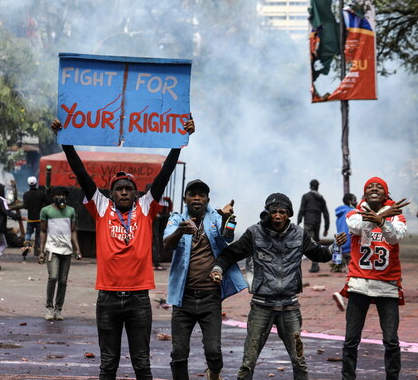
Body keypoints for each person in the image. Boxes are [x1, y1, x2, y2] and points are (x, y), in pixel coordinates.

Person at [51, 116, 194, 380]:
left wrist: (180, 142)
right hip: (106, 298)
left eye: (129, 189)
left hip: (139, 298)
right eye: (119, 189)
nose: (125, 193)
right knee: (108, 364)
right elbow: (80, 172)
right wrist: (65, 140)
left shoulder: (147, 207)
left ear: (137, 194)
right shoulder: (102, 207)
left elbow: (165, 174)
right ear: (111, 193)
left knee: (142, 364)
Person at [210, 192, 346, 380]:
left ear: (289, 214)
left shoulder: (299, 234)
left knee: (299, 361)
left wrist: (333, 247)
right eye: (274, 211)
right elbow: (230, 254)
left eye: (282, 212)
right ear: (267, 213)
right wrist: (218, 268)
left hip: (290, 307)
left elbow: (318, 254)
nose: (278, 216)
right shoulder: (254, 233)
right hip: (261, 306)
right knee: (248, 363)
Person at [163, 180, 247, 380]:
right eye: (193, 194)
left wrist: (227, 219)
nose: (197, 198)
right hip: (184, 300)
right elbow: (167, 244)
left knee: (214, 351)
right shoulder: (176, 219)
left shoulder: (216, 217)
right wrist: (180, 231)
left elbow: (227, 238)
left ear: (208, 199)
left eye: (202, 195)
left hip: (211, 298)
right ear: (185, 198)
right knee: (179, 353)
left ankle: (214, 373)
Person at [340, 177, 409, 380]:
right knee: (351, 340)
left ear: (386, 193)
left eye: (379, 186)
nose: (374, 188)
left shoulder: (397, 217)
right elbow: (357, 228)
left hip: (387, 285)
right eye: (370, 186)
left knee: (391, 341)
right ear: (365, 193)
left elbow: (394, 237)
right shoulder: (354, 213)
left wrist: (382, 220)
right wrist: (381, 216)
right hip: (359, 283)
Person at [38, 186, 82, 321]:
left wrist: (77, 249)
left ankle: (58, 309)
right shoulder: (46, 211)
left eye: (62, 195)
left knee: (63, 281)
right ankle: (49, 308)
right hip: (52, 249)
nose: (60, 197)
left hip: (67, 250)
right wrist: (41, 251)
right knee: (53, 277)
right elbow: (43, 231)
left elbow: (73, 231)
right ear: (52, 197)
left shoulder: (70, 211)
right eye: (57, 195)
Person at [297, 179, 330, 273]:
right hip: (317, 222)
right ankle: (315, 263)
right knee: (315, 241)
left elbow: (302, 209)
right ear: (317, 187)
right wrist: (326, 227)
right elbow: (326, 213)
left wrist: (298, 221)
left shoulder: (306, 196)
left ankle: (314, 265)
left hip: (308, 221)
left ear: (310, 186)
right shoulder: (321, 198)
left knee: (308, 242)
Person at [332, 193, 357, 310]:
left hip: (342, 246)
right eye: (354, 200)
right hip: (352, 244)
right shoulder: (353, 213)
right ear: (350, 201)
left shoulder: (339, 214)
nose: (356, 202)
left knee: (350, 269)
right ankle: (343, 294)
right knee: (355, 272)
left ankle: (350, 293)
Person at [21, 176, 48, 257]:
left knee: (28, 233)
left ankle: (27, 244)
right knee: (39, 234)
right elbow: (47, 202)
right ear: (36, 183)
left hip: (30, 219)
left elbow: (25, 206)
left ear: (28, 184)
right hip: (39, 219)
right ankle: (37, 249)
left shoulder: (26, 194)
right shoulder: (41, 193)